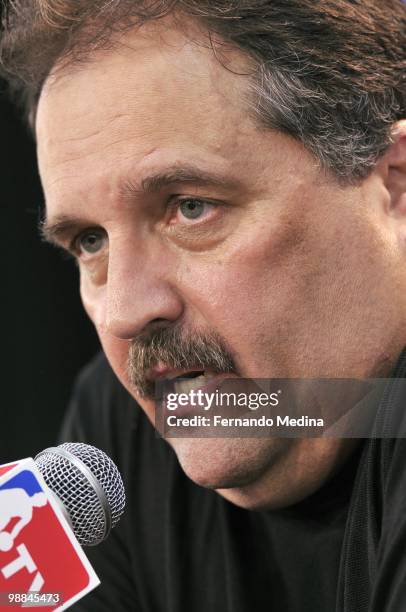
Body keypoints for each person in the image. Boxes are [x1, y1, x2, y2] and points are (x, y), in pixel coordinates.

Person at [1, 0, 405, 610]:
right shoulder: (111, 444)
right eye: (90, 241)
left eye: (191, 207)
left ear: (395, 185)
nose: (124, 312)